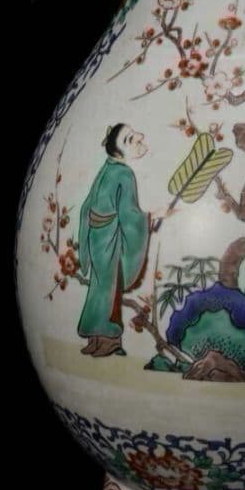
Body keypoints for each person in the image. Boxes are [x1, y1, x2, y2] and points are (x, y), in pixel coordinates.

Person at [77, 123, 160, 357]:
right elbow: (129, 214)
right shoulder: (123, 173)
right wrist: (149, 219)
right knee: (108, 289)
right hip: (110, 239)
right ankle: (106, 339)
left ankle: (99, 338)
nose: (139, 137)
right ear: (119, 150)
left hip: (98, 237)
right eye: (131, 139)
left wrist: (86, 234)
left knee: (99, 286)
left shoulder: (107, 167)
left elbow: (87, 205)